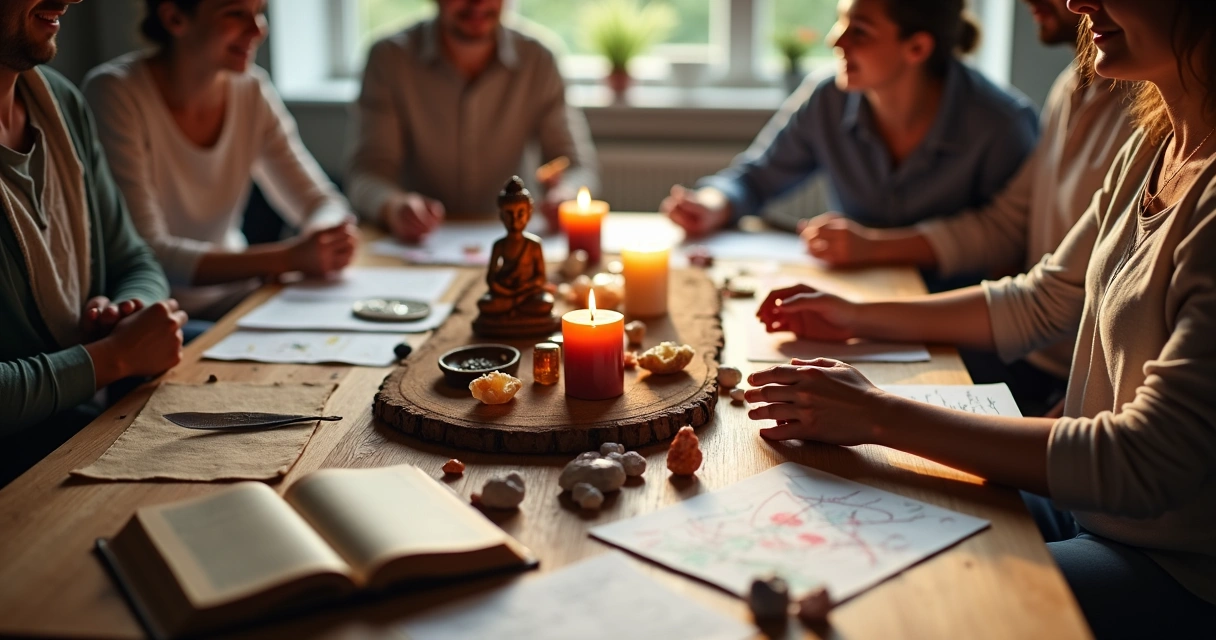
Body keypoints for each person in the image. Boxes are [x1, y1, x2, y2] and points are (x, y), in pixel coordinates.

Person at [746, 0, 1216, 635]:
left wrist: (878, 413)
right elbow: (1044, 296)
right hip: (1089, 509)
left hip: (1171, 563)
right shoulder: (1152, 141)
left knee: (902, 602)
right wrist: (857, 315)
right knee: (843, 526)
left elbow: (1143, 463)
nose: (1076, 2)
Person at [800, 0, 1136, 416]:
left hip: (1067, 377)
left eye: (861, 30)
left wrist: (1082, 406)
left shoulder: (1133, 118)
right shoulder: (1075, 84)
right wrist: (852, 312)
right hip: (1039, 355)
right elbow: (1010, 230)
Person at [661, 0, 1038, 246]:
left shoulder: (1002, 125)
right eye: (840, 22)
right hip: (856, 307)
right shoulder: (828, 98)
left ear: (917, 48)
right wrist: (713, 204)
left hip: (956, 329)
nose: (834, 41)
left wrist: (876, 250)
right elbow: (756, 177)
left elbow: (1008, 247)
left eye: (860, 31)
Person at [0, 0, 186, 486]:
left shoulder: (60, 102)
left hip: (88, 415)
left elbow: (135, 258)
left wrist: (131, 310)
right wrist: (115, 357)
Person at [83, 0, 359, 323]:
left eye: (259, 12)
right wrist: (290, 258)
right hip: (155, 316)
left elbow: (321, 201)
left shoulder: (252, 90)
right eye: (235, 13)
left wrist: (324, 238)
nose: (258, 30)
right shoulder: (115, 93)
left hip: (236, 298)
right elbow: (149, 254)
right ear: (174, 18)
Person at [347, 0, 598, 243]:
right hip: (418, 248)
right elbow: (367, 172)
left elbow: (576, 166)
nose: (477, 3)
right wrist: (393, 206)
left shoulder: (539, 59)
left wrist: (565, 195)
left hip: (513, 237)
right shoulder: (389, 58)